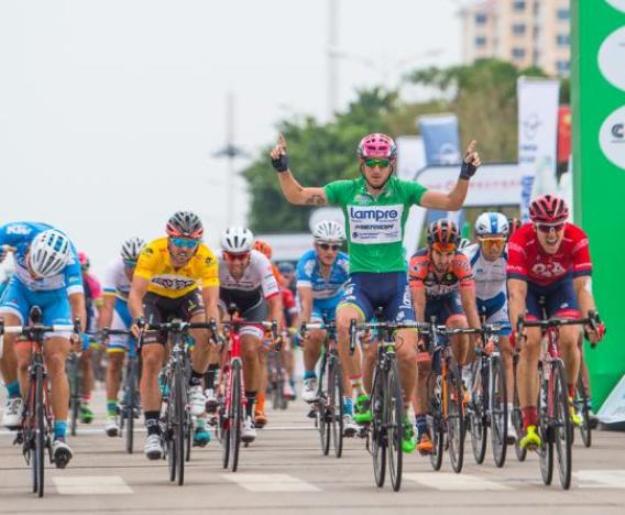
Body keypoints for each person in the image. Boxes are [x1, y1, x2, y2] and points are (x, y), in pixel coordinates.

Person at [270, 132, 481, 452]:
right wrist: (282, 167)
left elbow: (452, 201)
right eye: (371, 163)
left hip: (396, 284)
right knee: (343, 323)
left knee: (409, 354)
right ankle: (359, 395)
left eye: (383, 163)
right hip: (362, 283)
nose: (377, 169)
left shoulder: (405, 191)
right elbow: (297, 195)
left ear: (392, 165)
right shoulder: (346, 190)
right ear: (362, 163)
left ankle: (409, 418)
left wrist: (465, 174)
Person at [507, 195, 605, 450]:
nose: (552, 235)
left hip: (561, 290)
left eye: (557, 227)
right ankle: (530, 424)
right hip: (529, 291)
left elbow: (582, 288)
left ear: (565, 224)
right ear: (534, 226)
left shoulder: (577, 237)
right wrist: (518, 327)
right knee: (530, 343)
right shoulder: (520, 241)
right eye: (545, 228)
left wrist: (593, 319)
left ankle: (568, 399)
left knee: (571, 337)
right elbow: (516, 292)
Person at [128, 211, 220, 459]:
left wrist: (214, 326)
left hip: (186, 299)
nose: (184, 249)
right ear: (169, 238)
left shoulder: (206, 257)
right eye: (179, 242)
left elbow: (212, 300)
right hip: (154, 301)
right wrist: (138, 318)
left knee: (204, 331)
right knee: (151, 357)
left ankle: (193, 384)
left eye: (191, 244)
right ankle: (153, 431)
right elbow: (136, 295)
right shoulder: (152, 252)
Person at [0, 222, 86, 467]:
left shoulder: (70, 259)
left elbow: (77, 300)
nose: (37, 276)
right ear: (29, 249)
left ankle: (60, 435)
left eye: (43, 274)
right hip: (20, 290)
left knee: (57, 360)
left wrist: (78, 331)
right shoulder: (16, 233)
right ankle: (16, 396)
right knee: (6, 335)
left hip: (55, 300)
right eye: (35, 268)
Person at [409, 219, 480, 453]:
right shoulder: (419, 262)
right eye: (439, 253)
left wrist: (477, 332)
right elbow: (418, 303)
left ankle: (457, 377)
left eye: (449, 253)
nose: (444, 260)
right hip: (424, 307)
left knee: (461, 325)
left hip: (447, 304)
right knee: (422, 367)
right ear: (430, 249)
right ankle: (422, 428)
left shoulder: (461, 262)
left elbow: (469, 303)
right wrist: (420, 336)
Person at [218, 227, 283, 442]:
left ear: (250, 254)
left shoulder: (261, 262)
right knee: (213, 336)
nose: (236, 263)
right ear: (223, 254)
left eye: (241, 257)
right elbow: (208, 300)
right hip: (222, 301)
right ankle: (212, 390)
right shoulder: (214, 262)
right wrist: (216, 323)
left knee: (250, 348)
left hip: (253, 304)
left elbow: (274, 301)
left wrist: (275, 329)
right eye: (231, 257)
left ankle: (249, 413)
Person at [463, 212, 516, 441]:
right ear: (479, 240)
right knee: (469, 340)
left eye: (499, 241)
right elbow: (461, 298)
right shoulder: (466, 257)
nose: (494, 248)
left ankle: (507, 416)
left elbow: (515, 293)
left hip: (497, 305)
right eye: (489, 242)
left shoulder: (511, 256)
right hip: (471, 304)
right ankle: (465, 376)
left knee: (507, 351)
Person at [296, 221, 349, 412]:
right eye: (324, 246)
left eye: (335, 246)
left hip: (336, 303)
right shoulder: (307, 262)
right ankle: (310, 378)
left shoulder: (345, 263)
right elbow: (306, 300)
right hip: (314, 304)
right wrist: (303, 327)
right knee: (316, 333)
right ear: (315, 246)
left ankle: (347, 405)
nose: (330, 251)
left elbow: (357, 295)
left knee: (343, 346)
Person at [99, 237, 145, 436]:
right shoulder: (113, 268)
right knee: (115, 359)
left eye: (138, 265)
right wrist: (104, 331)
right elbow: (107, 306)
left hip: (143, 307)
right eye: (129, 265)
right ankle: (111, 413)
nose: (133, 270)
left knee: (149, 352)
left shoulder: (151, 270)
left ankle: (139, 393)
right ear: (123, 260)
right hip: (120, 307)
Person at [76, 251, 102, 424]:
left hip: (88, 320)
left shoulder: (92, 282)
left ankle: (85, 401)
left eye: (84, 269)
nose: (81, 273)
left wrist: (99, 331)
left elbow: (100, 309)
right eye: (78, 269)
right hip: (67, 318)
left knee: (86, 360)